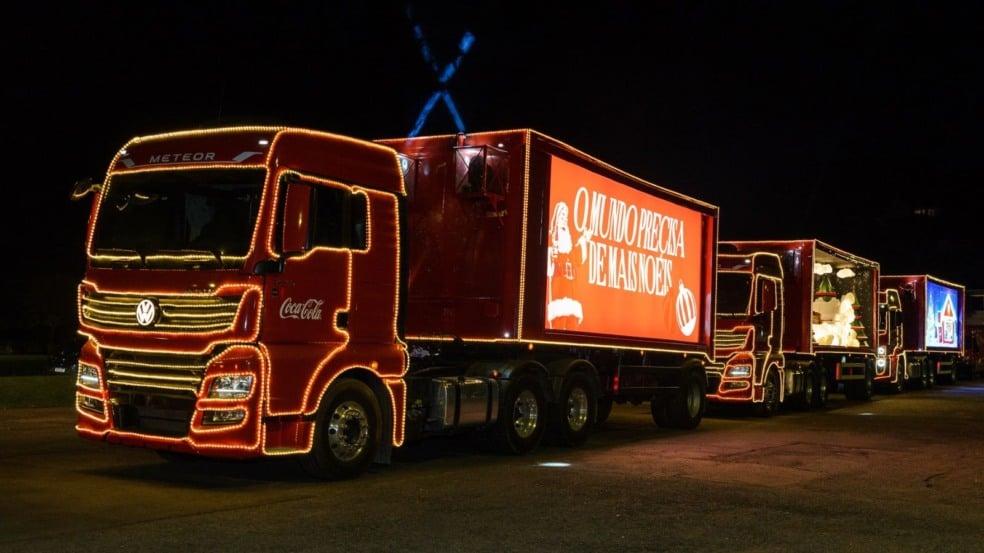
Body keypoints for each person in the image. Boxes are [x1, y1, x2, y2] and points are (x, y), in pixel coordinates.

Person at [546, 201, 591, 329]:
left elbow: (577, 258)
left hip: (572, 289)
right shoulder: (552, 237)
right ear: (557, 216)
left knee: (572, 322)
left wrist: (584, 240)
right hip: (559, 287)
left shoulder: (569, 240)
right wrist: (550, 253)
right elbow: (548, 261)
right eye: (562, 214)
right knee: (560, 321)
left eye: (566, 215)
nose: (564, 217)